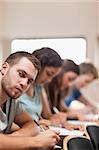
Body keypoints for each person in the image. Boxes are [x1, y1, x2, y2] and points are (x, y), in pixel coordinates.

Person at [0, 51, 60, 149]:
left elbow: (31, 124)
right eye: (21, 74)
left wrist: (11, 140)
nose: (24, 83)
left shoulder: (12, 100)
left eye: (29, 81)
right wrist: (37, 142)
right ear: (4, 68)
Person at [19, 53, 82, 130]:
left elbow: (48, 116)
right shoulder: (19, 87)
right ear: (38, 68)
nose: (49, 80)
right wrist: (37, 125)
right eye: (48, 74)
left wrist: (63, 123)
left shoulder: (39, 87)